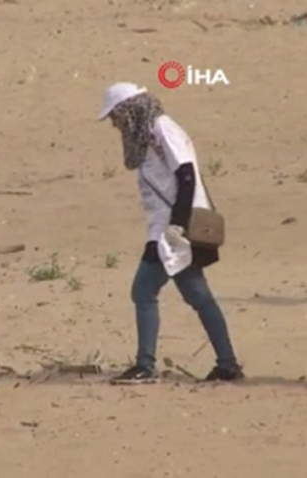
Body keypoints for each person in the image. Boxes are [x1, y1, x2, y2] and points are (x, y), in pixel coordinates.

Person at [97, 82, 244, 384]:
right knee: (198, 296)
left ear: (129, 110)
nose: (114, 124)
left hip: (176, 228)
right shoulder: (147, 135)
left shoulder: (163, 128)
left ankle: (145, 366)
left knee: (144, 291)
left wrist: (177, 225)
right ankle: (227, 365)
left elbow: (186, 174)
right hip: (165, 228)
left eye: (115, 116)